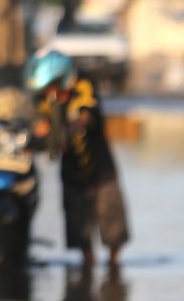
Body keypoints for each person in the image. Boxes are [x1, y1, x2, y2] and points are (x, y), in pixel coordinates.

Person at [25, 49, 129, 267]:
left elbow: (85, 117)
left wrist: (63, 133)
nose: (50, 92)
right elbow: (41, 125)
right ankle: (87, 268)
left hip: (101, 168)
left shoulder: (83, 84)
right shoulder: (44, 98)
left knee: (112, 227)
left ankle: (113, 269)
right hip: (71, 171)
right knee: (78, 228)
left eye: (52, 87)